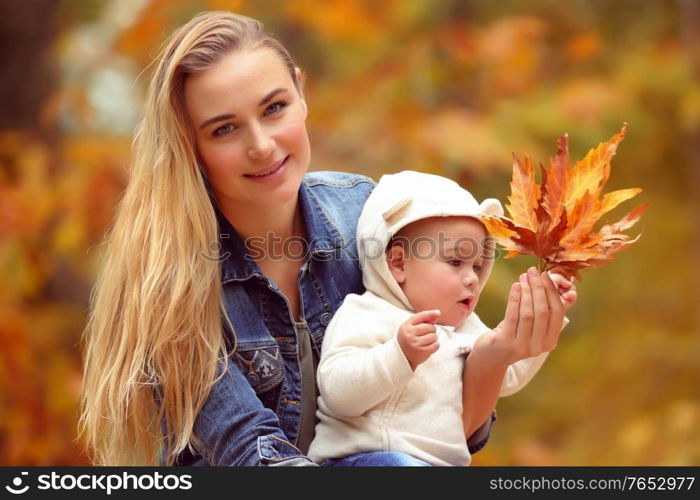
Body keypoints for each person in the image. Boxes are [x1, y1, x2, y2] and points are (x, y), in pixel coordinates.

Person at [79, 11, 567, 466]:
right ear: (191, 145)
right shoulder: (173, 281)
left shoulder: (369, 219)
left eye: (274, 108)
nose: (262, 145)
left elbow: (448, 428)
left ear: (301, 93)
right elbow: (249, 452)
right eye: (224, 128)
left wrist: (498, 351)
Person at [308, 171, 577, 466]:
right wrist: (398, 356)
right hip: (367, 461)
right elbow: (337, 394)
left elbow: (507, 376)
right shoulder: (368, 312)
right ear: (398, 263)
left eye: (477, 266)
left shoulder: (466, 328)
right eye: (455, 261)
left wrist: (540, 320)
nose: (472, 279)